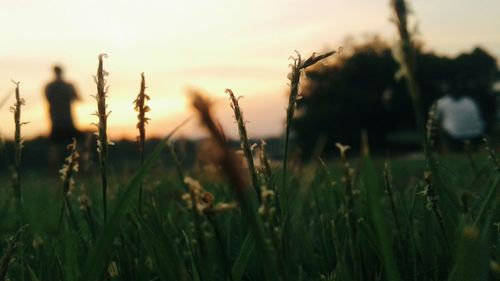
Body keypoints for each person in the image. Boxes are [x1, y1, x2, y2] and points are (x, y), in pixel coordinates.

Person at [45, 65, 81, 143]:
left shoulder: (50, 86)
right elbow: (78, 99)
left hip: (60, 120)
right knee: (72, 143)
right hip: (61, 121)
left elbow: (47, 99)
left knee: (58, 145)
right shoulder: (68, 86)